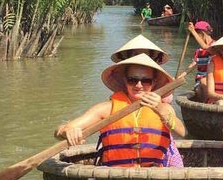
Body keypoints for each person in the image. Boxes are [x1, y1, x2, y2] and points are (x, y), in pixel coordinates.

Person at [55, 53, 186, 168]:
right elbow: (61, 131)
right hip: (114, 178)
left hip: (154, 178)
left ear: (154, 82)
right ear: (125, 80)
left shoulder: (165, 108)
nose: (139, 85)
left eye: (146, 80)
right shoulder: (106, 109)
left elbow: (182, 133)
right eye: (132, 80)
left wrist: (160, 110)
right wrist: (67, 131)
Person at [109, 35, 183, 166]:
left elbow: (180, 130)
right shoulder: (117, 98)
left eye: (145, 55)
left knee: (173, 162)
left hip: (158, 131)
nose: (139, 84)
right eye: (136, 55)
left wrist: (160, 108)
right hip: (128, 137)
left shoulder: (161, 84)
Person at [186, 20, 214, 102]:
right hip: (200, 81)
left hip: (212, 80)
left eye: (197, 34)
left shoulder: (216, 46)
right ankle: (205, 104)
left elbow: (206, 47)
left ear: (202, 33)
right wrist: (178, 77)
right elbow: (192, 66)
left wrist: (192, 31)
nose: (195, 37)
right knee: (198, 89)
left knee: (203, 81)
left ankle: (208, 103)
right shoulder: (198, 50)